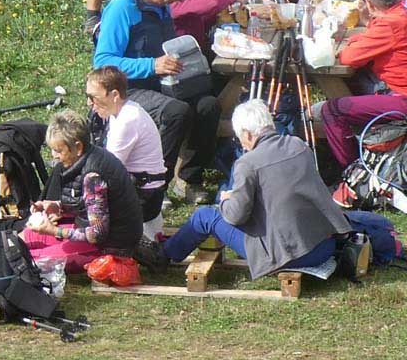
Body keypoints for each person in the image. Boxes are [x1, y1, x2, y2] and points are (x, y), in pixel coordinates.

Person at [144, 100, 349, 277]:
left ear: (247, 134)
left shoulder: (247, 163)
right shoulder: (298, 145)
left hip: (288, 256)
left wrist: (226, 200)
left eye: (239, 137)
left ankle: (163, 256)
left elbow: (236, 217)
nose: (240, 143)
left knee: (204, 216)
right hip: (324, 246)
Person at [93, 0, 220, 203]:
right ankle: (152, 185)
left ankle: (188, 179)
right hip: (128, 89)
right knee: (176, 112)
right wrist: (152, 65)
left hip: (161, 82)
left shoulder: (161, 6)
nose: (181, 0)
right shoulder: (122, 8)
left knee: (208, 105)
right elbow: (103, 62)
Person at [319, 0, 407, 168]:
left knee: (332, 110)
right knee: (355, 80)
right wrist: (357, 41)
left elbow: (349, 58)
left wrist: (347, 46)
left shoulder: (391, 24)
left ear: (369, 3)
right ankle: (366, 149)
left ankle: (353, 170)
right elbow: (367, 39)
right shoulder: (400, 14)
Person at [18, 110, 145, 272]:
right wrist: (57, 206)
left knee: (30, 258)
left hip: (112, 246)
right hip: (92, 228)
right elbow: (87, 204)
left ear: (78, 147)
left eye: (58, 150)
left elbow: (97, 234)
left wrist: (54, 231)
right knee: (24, 237)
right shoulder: (88, 157)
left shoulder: (93, 177)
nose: (54, 156)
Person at [85, 67, 169, 240]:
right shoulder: (125, 111)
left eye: (93, 97)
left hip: (144, 196)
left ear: (114, 95)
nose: (89, 103)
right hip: (146, 189)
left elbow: (106, 169)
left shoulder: (127, 121)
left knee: (86, 202)